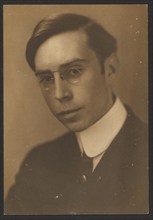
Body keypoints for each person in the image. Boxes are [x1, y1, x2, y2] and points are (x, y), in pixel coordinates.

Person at [5, 13, 148, 215]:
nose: (59, 94)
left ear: (110, 68)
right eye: (46, 78)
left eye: (73, 72)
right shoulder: (37, 163)